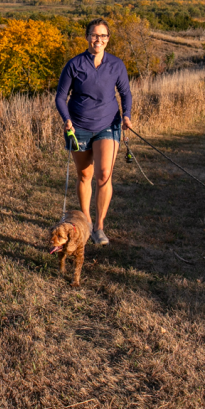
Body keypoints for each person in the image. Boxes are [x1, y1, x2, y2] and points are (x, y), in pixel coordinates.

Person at [55, 18, 132, 245]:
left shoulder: (116, 65)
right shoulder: (74, 64)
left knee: (104, 174)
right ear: (87, 37)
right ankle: (87, 222)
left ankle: (99, 227)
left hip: (108, 124)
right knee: (85, 175)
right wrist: (66, 119)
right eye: (94, 35)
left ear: (108, 39)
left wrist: (126, 115)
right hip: (78, 126)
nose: (99, 39)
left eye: (103, 36)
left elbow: (125, 93)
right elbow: (60, 97)